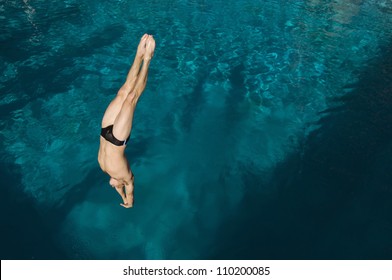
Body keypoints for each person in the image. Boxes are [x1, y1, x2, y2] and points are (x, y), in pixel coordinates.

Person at [98, 34, 155, 208]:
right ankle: (147, 59)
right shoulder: (126, 178)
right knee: (132, 98)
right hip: (117, 139)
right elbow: (130, 192)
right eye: (117, 187)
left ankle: (138, 54)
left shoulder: (106, 170)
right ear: (121, 184)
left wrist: (121, 197)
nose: (112, 186)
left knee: (123, 91)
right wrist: (128, 201)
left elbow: (119, 191)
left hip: (105, 130)